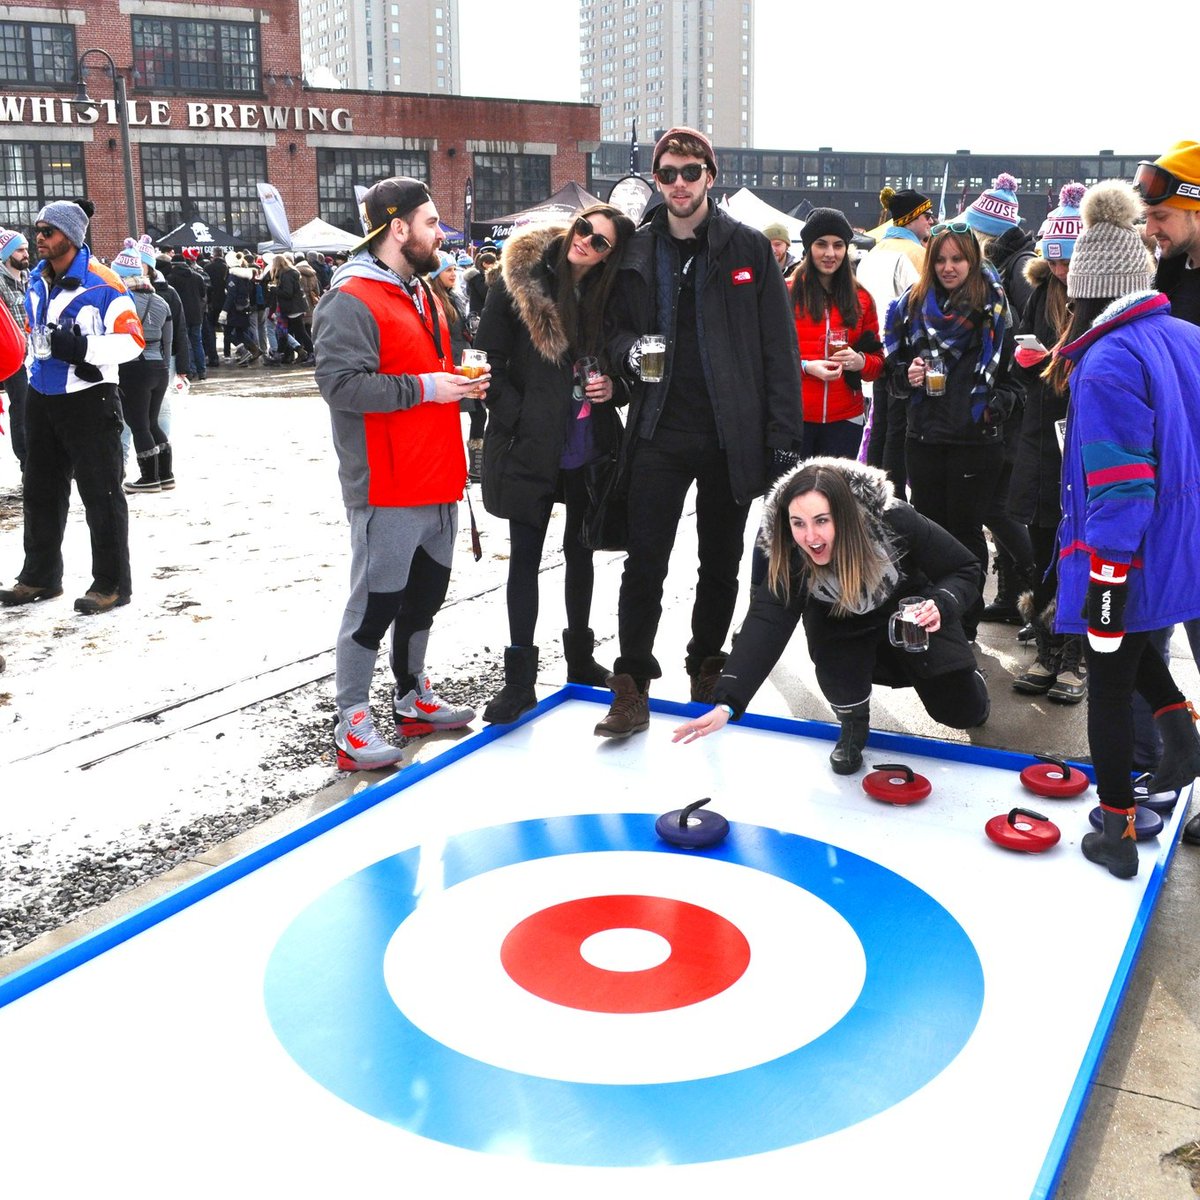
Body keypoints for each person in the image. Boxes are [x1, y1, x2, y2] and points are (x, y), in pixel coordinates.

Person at [594, 125, 803, 737]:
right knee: (645, 562)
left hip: (728, 434)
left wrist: (781, 437)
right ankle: (631, 683)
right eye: (668, 174)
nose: (679, 184)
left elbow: (778, 350)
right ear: (657, 181)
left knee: (721, 561)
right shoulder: (636, 247)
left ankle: (707, 668)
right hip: (658, 430)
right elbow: (608, 330)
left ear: (711, 176)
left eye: (691, 172)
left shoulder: (745, 249)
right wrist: (629, 352)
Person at [1047, 179, 1200, 878]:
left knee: (1107, 681)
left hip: (1128, 556)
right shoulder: (1186, 337)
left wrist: (1104, 582)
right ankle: (1181, 735)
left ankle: (1116, 829)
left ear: (1087, 291)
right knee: (1136, 652)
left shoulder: (1105, 360)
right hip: (1181, 549)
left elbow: (1120, 483)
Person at [312, 176, 482, 770]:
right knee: (373, 606)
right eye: (432, 221)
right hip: (386, 484)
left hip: (438, 477)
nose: (441, 233)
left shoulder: (423, 292)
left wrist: (457, 388)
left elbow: (428, 374)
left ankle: (411, 696)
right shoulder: (350, 298)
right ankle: (351, 721)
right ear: (399, 227)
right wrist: (429, 387)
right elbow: (340, 385)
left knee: (424, 600)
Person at [672, 457, 989, 773]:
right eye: (799, 523)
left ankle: (970, 687)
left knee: (961, 712)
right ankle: (852, 724)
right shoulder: (792, 553)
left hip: (913, 620)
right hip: (843, 628)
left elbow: (964, 567)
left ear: (845, 514)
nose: (810, 537)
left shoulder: (894, 519)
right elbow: (766, 623)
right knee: (832, 648)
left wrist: (941, 604)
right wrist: (728, 703)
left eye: (821, 520)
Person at [474, 203, 634, 724]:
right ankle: (519, 682)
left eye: (601, 241)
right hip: (530, 444)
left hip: (587, 442)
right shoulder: (515, 280)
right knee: (525, 557)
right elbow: (486, 362)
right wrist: (519, 415)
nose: (586, 240)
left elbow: (628, 363)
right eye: (584, 227)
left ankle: (580, 660)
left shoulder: (610, 297)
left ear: (612, 255)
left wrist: (616, 388)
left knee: (581, 552)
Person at [0, 199, 143, 614]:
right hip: (42, 396)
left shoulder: (104, 283)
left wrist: (82, 348)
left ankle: (112, 583)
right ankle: (40, 576)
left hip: (89, 399)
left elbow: (132, 342)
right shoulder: (36, 279)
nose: (39, 238)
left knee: (101, 494)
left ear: (72, 236)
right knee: (40, 491)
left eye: (48, 231)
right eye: (38, 230)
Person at [879, 220, 1020, 641]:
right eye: (940, 258)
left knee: (964, 537)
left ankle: (966, 624)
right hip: (923, 438)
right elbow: (893, 379)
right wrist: (909, 374)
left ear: (972, 259)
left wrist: (994, 407)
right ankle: (937, 620)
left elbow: (1015, 383)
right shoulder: (911, 305)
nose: (948, 267)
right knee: (929, 538)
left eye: (957, 258)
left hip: (976, 442)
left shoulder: (993, 306)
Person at [1132, 141, 1200, 822]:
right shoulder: (1167, 276)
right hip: (1170, 487)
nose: (1152, 227)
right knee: (1143, 628)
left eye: (1161, 215)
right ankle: (1153, 757)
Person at [1008, 183, 1087, 703]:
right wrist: (1027, 364)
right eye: (1053, 263)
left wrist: (1061, 363)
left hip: (1082, 437)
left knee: (1081, 546)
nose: (1060, 273)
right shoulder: (1039, 293)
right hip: (1040, 436)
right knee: (1040, 542)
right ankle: (1045, 645)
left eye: (1068, 263)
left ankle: (1075, 655)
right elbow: (1015, 353)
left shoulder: (1102, 296)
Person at [963, 173, 1038, 625]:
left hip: (1017, 407)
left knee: (999, 505)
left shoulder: (1019, 269)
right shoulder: (1011, 263)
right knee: (1002, 504)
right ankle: (1013, 596)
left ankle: (1036, 582)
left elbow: (1027, 338)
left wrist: (1009, 389)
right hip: (1012, 403)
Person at [790, 207, 883, 460]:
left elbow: (879, 364)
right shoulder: (785, 292)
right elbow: (764, 357)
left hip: (845, 419)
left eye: (838, 245)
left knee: (837, 497)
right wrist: (807, 366)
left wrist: (860, 361)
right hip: (793, 417)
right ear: (809, 248)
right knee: (790, 497)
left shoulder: (862, 298)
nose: (830, 253)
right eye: (821, 244)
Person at [858, 187, 933, 490]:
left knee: (880, 424)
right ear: (912, 217)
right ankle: (893, 494)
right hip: (903, 351)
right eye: (926, 215)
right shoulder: (914, 253)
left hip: (874, 348)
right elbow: (925, 305)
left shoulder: (874, 251)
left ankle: (873, 490)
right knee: (898, 427)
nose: (931, 221)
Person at [109, 239, 173, 493]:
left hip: (134, 367)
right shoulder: (161, 301)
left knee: (139, 425)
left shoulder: (123, 301)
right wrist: (166, 367)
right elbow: (168, 342)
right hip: (159, 367)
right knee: (153, 422)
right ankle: (166, 474)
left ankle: (149, 478)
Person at [0, 228, 30, 469]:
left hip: (36, 352)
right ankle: (26, 461)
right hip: (12, 356)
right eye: (20, 250)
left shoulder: (29, 277)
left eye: (26, 249)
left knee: (38, 406)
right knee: (21, 406)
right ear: (7, 253)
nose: (25, 254)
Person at [168, 249, 208, 380]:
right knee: (197, 342)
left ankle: (190, 370)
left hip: (181, 314)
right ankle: (202, 370)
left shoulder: (171, 278)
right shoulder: (197, 277)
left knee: (185, 343)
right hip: (197, 314)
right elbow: (203, 294)